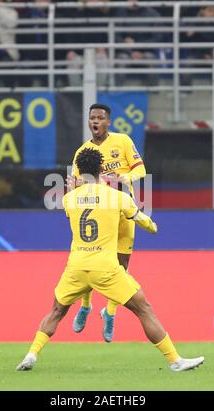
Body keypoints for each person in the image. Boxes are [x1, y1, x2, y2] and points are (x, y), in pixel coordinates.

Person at [16, 147, 204, 372]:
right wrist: (153, 227)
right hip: (105, 268)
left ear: (79, 170)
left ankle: (31, 355)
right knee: (144, 309)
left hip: (76, 268)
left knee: (56, 311)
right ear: (101, 168)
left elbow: (75, 209)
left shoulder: (68, 199)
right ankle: (175, 360)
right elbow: (141, 219)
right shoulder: (117, 197)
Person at [68, 103, 146, 343]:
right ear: (89, 121)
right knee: (94, 261)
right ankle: (86, 305)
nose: (96, 121)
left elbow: (140, 169)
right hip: (100, 215)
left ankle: (109, 312)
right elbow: (73, 185)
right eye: (92, 118)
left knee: (121, 268)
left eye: (100, 118)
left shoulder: (122, 141)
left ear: (108, 122)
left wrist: (126, 177)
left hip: (123, 210)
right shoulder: (83, 152)